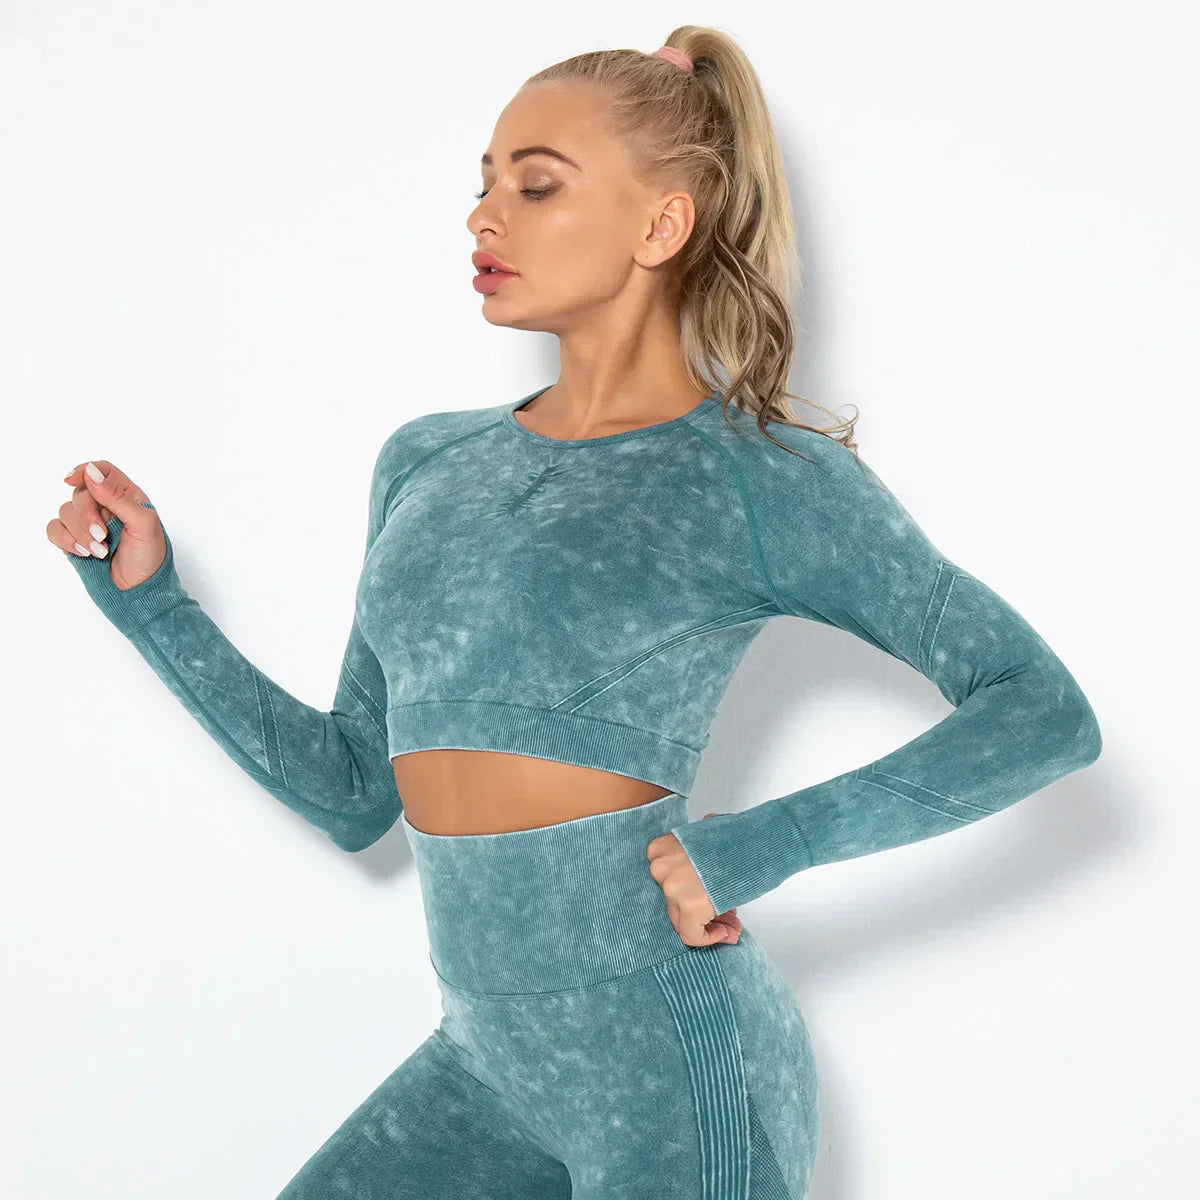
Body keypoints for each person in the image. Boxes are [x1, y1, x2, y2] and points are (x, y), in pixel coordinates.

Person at [47, 27, 1102, 1200]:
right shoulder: (427, 463)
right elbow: (353, 792)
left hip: (671, 1068)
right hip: (484, 1062)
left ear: (660, 226)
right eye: (484, 184)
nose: (483, 217)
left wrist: (762, 845)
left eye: (537, 186)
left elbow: (1041, 710)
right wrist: (154, 608)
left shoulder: (758, 477)